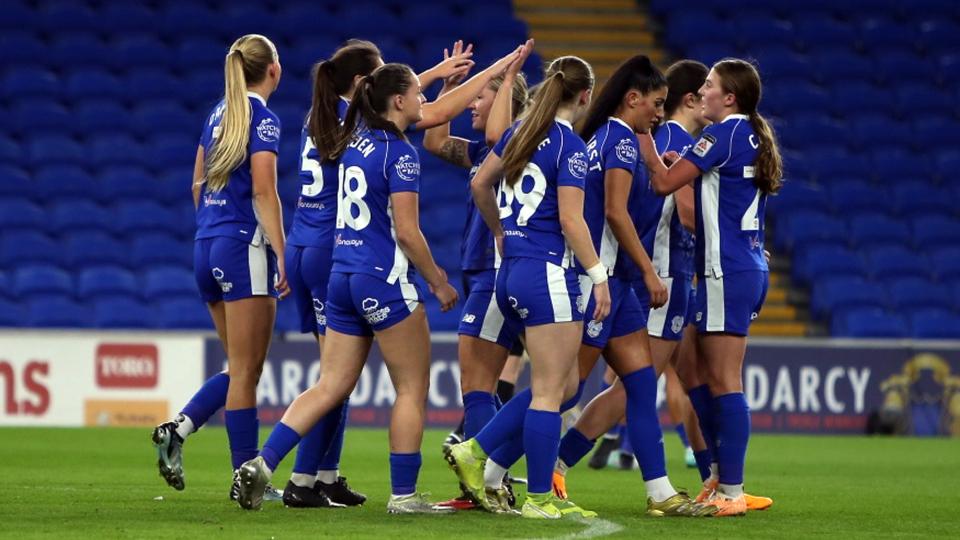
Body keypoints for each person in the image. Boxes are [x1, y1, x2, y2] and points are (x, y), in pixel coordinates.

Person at [541, 54, 714, 517]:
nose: (658, 113)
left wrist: (659, 161)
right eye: (656, 104)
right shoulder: (621, 140)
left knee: (640, 385)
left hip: (620, 280)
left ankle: (664, 489)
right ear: (634, 99)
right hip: (614, 279)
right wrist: (653, 271)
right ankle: (491, 456)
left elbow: (651, 191)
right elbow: (621, 213)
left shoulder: (629, 138)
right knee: (564, 389)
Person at [448, 55, 612, 520]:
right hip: (547, 274)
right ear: (585, 96)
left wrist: (501, 231)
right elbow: (571, 221)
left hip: (510, 273)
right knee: (549, 392)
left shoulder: (519, 133)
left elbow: (480, 184)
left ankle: (477, 449)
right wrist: (599, 275)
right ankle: (538, 496)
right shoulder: (570, 146)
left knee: (565, 384)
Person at [636, 58, 783, 517]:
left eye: (711, 85)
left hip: (725, 272)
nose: (702, 92)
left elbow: (664, 184)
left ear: (730, 98)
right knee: (696, 372)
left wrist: (640, 132)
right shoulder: (750, 136)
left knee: (723, 380)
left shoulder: (720, 135)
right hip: (744, 267)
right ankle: (718, 477)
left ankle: (731, 491)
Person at [152, 34, 289, 501]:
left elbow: (196, 184)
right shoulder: (263, 119)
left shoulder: (217, 114)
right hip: (242, 247)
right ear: (273, 69)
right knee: (247, 371)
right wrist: (282, 252)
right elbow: (264, 192)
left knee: (238, 368)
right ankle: (244, 478)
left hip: (206, 244)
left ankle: (178, 429)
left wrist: (213, 227)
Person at [422, 40, 533, 509]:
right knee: (482, 386)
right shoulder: (488, 152)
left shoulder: (514, 149)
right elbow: (433, 142)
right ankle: (490, 481)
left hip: (494, 272)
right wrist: (449, 88)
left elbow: (494, 137)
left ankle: (486, 484)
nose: (470, 104)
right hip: (481, 271)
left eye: (479, 97)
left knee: (477, 386)